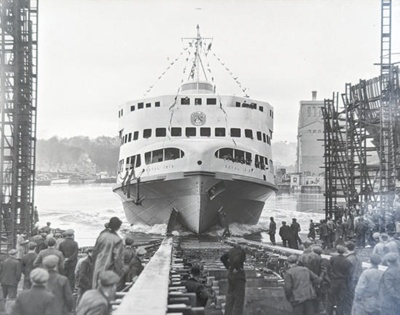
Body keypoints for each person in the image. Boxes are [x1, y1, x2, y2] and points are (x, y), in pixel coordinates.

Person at [92, 217, 124, 288]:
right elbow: (117, 258)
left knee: (96, 285)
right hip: (109, 267)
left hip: (97, 264)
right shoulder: (117, 239)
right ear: (118, 227)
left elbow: (94, 251)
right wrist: (120, 272)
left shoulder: (102, 236)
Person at [220, 243, 246, 315]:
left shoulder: (232, 251)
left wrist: (229, 267)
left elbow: (222, 258)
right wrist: (236, 268)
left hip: (230, 276)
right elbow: (236, 260)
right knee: (239, 299)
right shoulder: (240, 252)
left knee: (230, 297)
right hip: (238, 277)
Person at [326, 245, 352, 315]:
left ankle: (329, 313)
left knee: (330, 300)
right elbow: (349, 273)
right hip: (342, 282)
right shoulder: (347, 261)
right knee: (341, 300)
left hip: (334, 281)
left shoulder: (332, 259)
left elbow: (328, 269)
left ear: (337, 251)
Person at [344, 241, 362, 315]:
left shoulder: (348, 259)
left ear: (346, 248)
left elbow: (346, 272)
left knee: (349, 300)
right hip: (357, 280)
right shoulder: (357, 257)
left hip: (350, 281)